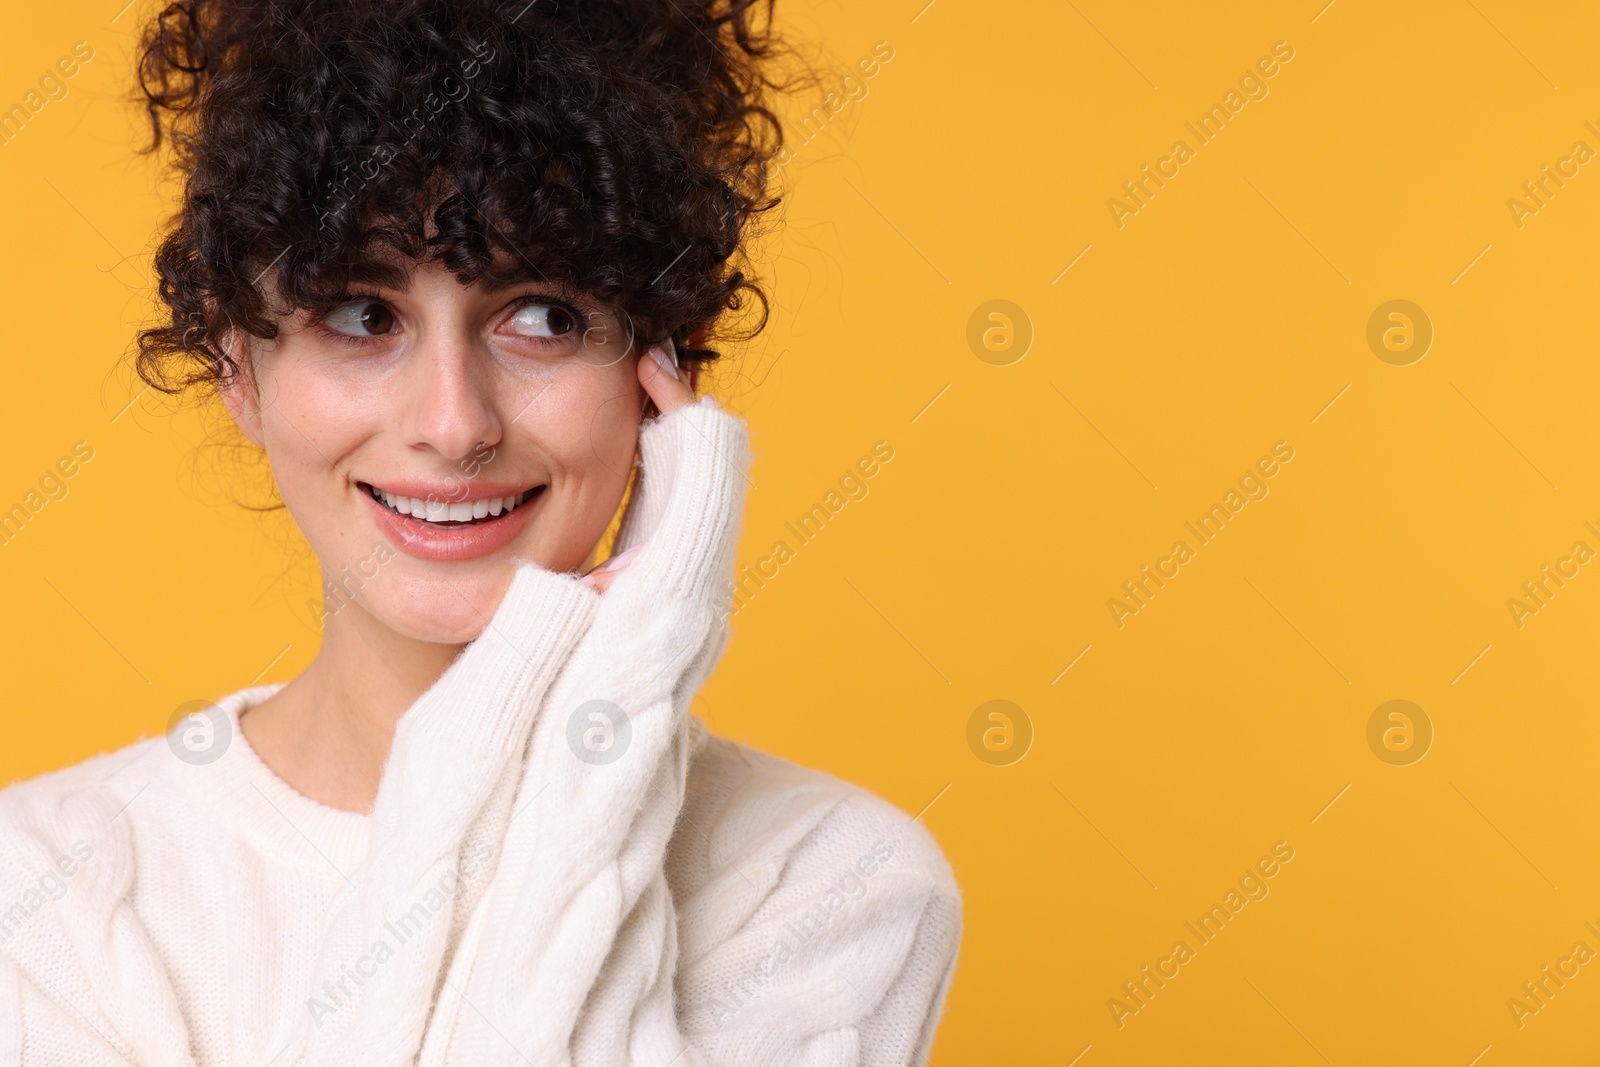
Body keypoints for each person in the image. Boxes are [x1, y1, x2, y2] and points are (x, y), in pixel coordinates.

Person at [0, 0, 961, 1064]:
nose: (454, 423)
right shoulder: (45, 893)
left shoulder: (827, 884)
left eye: (543, 316)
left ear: (665, 370)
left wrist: (617, 692)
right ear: (239, 368)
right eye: (364, 316)